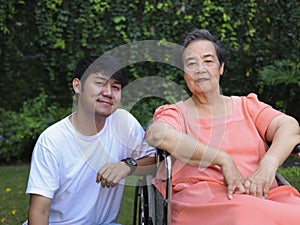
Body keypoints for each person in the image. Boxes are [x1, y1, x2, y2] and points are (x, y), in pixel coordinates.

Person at [146, 29, 300, 225]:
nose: (200, 68)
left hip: (262, 194)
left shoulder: (247, 106)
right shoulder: (177, 113)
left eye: (208, 61)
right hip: (205, 200)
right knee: (246, 215)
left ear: (221, 68)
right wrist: (222, 158)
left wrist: (269, 163)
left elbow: (289, 126)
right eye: (191, 63)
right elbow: (159, 134)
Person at [23, 54, 156, 225]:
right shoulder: (52, 141)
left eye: (115, 87)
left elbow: (155, 162)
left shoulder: (123, 123)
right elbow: (39, 210)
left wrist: (128, 166)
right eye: (100, 83)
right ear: (77, 86)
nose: (108, 93)